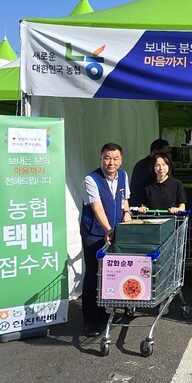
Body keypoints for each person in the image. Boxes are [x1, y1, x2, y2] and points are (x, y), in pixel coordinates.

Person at [80, 142, 131, 336]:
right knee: (93, 275)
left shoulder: (124, 176)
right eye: (107, 158)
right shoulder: (91, 179)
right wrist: (108, 230)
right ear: (101, 158)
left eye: (115, 158)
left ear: (121, 159)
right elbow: (96, 206)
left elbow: (125, 199)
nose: (111, 162)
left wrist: (127, 213)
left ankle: (101, 313)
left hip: (116, 232)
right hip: (94, 234)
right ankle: (90, 320)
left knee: (110, 274)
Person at [130, 138, 170, 206]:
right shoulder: (149, 165)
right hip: (144, 206)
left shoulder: (140, 163)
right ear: (155, 152)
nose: (167, 156)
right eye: (164, 153)